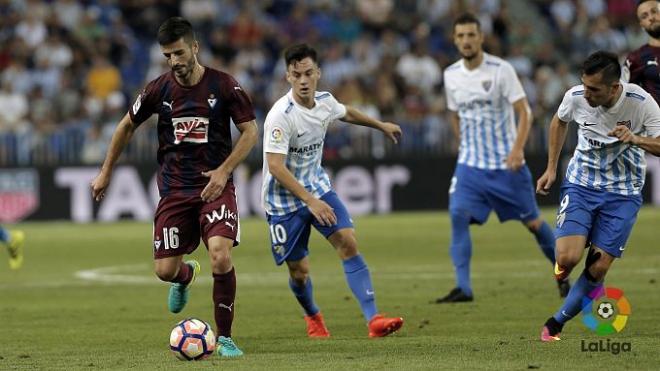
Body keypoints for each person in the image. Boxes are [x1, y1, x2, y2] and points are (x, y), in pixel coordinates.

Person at [90, 17, 258, 357]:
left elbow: (251, 131)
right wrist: (106, 171)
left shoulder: (225, 86)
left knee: (220, 255)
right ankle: (184, 276)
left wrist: (224, 171)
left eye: (179, 53)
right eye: (167, 55)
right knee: (164, 271)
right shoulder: (158, 89)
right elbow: (125, 126)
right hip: (175, 191)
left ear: (195, 47)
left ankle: (224, 337)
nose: (174, 61)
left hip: (215, 186)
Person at [262, 43, 404, 338]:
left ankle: (373, 319)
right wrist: (309, 201)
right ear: (287, 77)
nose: (303, 80)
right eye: (296, 74)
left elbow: (346, 113)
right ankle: (313, 315)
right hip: (284, 203)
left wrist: (380, 125)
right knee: (299, 272)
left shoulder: (325, 101)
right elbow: (275, 166)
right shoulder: (280, 116)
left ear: (318, 73)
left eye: (308, 73)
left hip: (317, 188)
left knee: (348, 242)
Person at [437, 13, 565, 304]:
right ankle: (463, 288)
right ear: (455, 40)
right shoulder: (450, 75)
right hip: (470, 166)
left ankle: (563, 272)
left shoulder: (501, 69)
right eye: (461, 36)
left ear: (481, 38)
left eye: (471, 35)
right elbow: (454, 114)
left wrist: (518, 149)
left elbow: (525, 112)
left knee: (533, 223)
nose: (466, 41)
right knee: (458, 215)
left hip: (507, 166)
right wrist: (463, 144)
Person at [536, 51, 660, 342]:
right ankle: (565, 263)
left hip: (623, 192)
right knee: (568, 258)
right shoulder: (576, 96)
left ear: (615, 87)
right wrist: (551, 168)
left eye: (594, 89)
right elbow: (558, 121)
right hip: (582, 184)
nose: (586, 94)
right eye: (584, 85)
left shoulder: (641, 104)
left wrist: (636, 138)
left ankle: (554, 324)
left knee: (599, 266)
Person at [623, 0, 660, 102]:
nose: (651, 18)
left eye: (654, 11)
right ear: (641, 24)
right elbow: (624, 96)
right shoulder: (635, 59)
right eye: (644, 16)